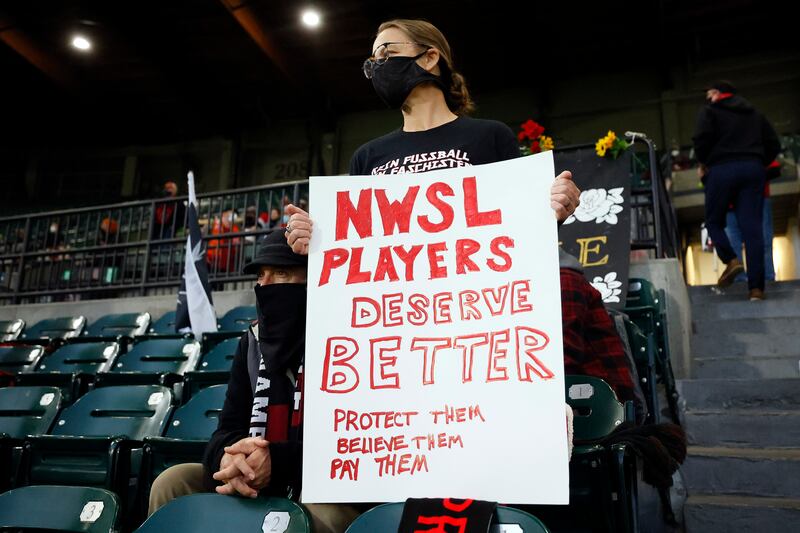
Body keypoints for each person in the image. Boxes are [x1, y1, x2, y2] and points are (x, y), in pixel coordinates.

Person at [281, 18, 581, 255]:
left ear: (429, 58)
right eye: (374, 62)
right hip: (396, 314)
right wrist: (314, 240)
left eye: (388, 53)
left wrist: (554, 207)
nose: (379, 66)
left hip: (477, 309)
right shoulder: (367, 157)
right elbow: (355, 250)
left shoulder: (490, 136)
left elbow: (523, 226)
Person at [148, 230, 361, 533]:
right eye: (262, 275)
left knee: (320, 511)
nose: (267, 285)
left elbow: (352, 445)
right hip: (254, 478)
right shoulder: (253, 341)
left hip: (323, 484)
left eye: (282, 273)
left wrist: (277, 462)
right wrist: (229, 461)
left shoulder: (348, 340)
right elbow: (227, 428)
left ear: (314, 279)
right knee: (172, 482)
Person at [693, 81, 780, 300]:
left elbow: (701, 140)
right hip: (752, 170)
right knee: (752, 229)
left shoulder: (710, 112)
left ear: (718, 94)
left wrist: (705, 162)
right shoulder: (755, 115)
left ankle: (731, 260)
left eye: (710, 93)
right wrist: (758, 160)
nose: (708, 98)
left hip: (721, 169)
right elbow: (774, 144)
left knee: (713, 221)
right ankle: (756, 289)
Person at [724, 160, 781, 283]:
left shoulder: (755, 144)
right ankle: (756, 278)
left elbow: (774, 168)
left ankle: (765, 277)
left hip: (754, 198)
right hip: (738, 200)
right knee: (739, 243)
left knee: (762, 239)